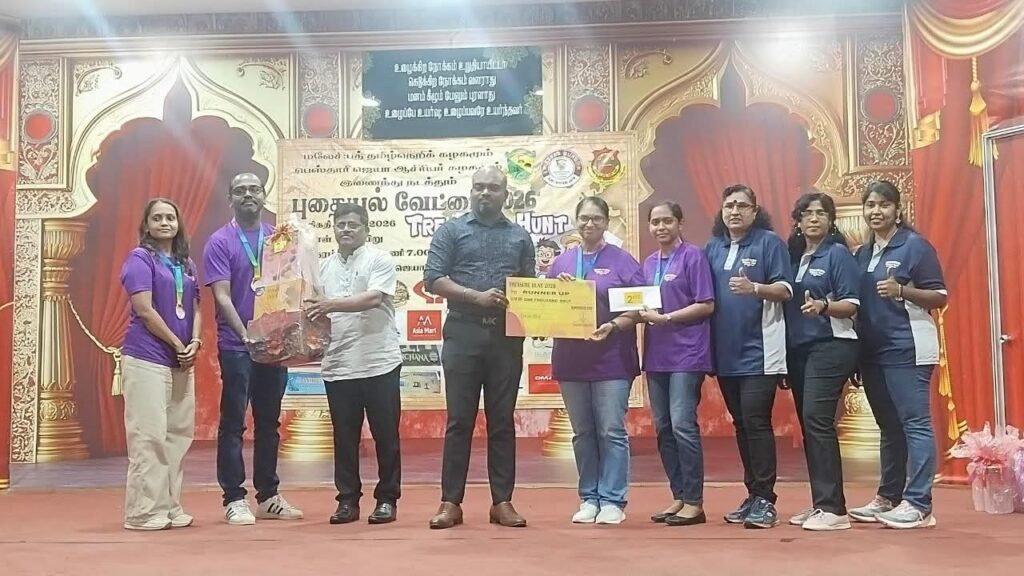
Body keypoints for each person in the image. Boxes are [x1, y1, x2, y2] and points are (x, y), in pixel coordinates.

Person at [423, 165, 536, 529]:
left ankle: (502, 502)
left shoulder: (520, 236)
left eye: (492, 188)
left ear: (506, 194)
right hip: (463, 332)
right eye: (479, 187)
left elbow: (530, 286)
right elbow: (433, 279)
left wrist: (547, 309)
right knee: (459, 421)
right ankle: (450, 503)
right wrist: (476, 296)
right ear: (471, 191)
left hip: (506, 337)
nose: (484, 193)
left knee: (502, 421)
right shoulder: (451, 230)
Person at [203, 172, 303, 525]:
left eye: (254, 189)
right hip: (238, 346)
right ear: (230, 199)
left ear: (264, 195)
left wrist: (284, 332)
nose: (248, 194)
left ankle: (268, 496)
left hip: (273, 345)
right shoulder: (220, 241)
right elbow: (222, 296)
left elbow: (290, 287)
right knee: (233, 423)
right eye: (240, 190)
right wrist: (246, 335)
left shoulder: (278, 239)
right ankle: (234, 497)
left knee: (269, 423)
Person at [847, 180, 947, 529]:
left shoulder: (915, 246)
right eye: (870, 205)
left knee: (915, 424)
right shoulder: (862, 253)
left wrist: (902, 290)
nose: (876, 211)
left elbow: (940, 296)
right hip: (873, 352)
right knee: (889, 427)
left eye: (883, 205)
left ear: (897, 210)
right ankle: (888, 497)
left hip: (908, 347)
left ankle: (919, 504)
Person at [306, 203, 403, 525]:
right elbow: (312, 309)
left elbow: (374, 298)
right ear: (333, 229)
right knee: (344, 438)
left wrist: (330, 304)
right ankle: (347, 501)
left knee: (385, 436)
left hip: (379, 362)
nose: (346, 229)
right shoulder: (322, 268)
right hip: (339, 364)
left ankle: (387, 499)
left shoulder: (379, 259)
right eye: (341, 224)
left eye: (353, 224)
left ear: (366, 229)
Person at [548, 196, 642, 525]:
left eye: (596, 218)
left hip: (612, 359)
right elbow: (545, 310)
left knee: (611, 430)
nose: (589, 224)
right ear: (576, 221)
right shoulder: (560, 263)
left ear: (606, 222)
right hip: (571, 360)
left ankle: (613, 500)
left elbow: (639, 307)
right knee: (583, 432)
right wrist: (556, 293)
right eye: (584, 218)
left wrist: (613, 325)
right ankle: (589, 497)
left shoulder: (622, 261)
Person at [704, 184, 793, 529]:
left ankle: (766, 500)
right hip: (725, 353)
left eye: (742, 205)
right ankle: (753, 494)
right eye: (729, 205)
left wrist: (754, 288)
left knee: (756, 422)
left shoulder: (769, 243)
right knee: (741, 424)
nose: (735, 211)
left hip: (760, 351)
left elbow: (785, 290)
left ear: (755, 211)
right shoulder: (713, 247)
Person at [119, 198, 201, 531]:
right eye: (157, 218)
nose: (164, 223)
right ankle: (142, 512)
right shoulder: (140, 259)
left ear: (179, 224)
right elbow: (145, 310)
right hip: (147, 357)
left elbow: (196, 307)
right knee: (149, 436)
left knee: (177, 436)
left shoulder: (187, 263)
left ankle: (169, 507)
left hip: (181, 361)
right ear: (147, 225)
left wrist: (195, 341)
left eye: (170, 217)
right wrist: (178, 344)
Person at [783, 192, 860, 531]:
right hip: (799, 349)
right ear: (798, 221)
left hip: (831, 345)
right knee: (809, 425)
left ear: (831, 221)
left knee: (817, 420)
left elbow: (852, 304)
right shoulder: (794, 257)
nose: (814, 218)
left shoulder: (837, 254)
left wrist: (824, 307)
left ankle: (834, 509)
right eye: (807, 213)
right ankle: (821, 503)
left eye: (821, 213)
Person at [638, 202, 714, 527]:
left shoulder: (693, 257)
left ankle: (695, 502)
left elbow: (706, 304)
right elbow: (638, 303)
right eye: (655, 222)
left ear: (680, 223)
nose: (661, 227)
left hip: (687, 353)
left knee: (683, 424)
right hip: (656, 355)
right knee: (663, 427)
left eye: (667, 221)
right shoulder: (648, 263)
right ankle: (679, 495)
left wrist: (666, 318)